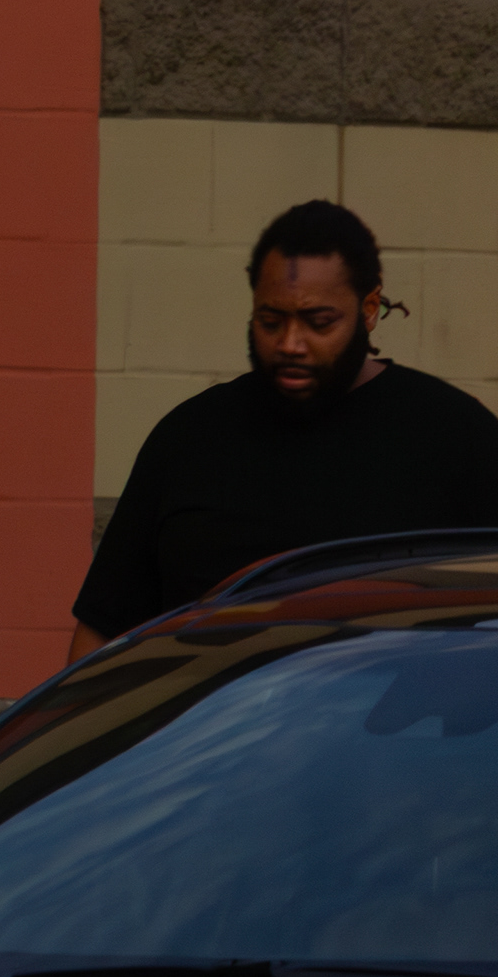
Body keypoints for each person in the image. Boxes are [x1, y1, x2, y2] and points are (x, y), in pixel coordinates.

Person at [75, 200, 498, 656]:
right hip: (213, 726)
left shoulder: (454, 435)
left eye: (319, 322)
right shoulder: (190, 437)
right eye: (271, 321)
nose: (290, 344)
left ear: (369, 308)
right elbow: (103, 634)